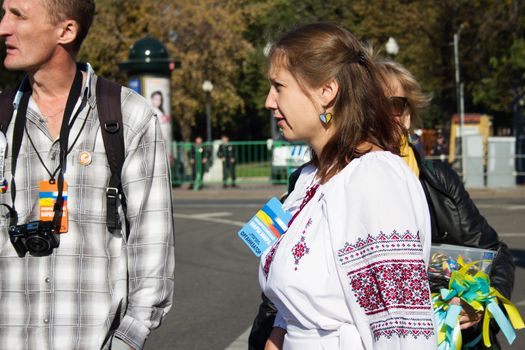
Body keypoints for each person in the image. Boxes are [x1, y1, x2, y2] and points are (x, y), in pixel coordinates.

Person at [0, 1, 175, 349]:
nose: (3, 27)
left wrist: (126, 341)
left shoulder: (127, 117)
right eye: (4, 13)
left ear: (66, 31)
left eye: (18, 15)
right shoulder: (3, 120)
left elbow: (152, 248)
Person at [258, 22, 436, 350]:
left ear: (327, 91)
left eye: (279, 86)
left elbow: (401, 327)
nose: (269, 101)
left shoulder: (374, 179)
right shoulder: (310, 179)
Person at [374, 57, 515, 349]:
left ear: (407, 117)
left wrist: (479, 304)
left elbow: (495, 253)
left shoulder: (439, 180)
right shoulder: (324, 184)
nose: (384, 116)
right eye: (371, 105)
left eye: (395, 105)